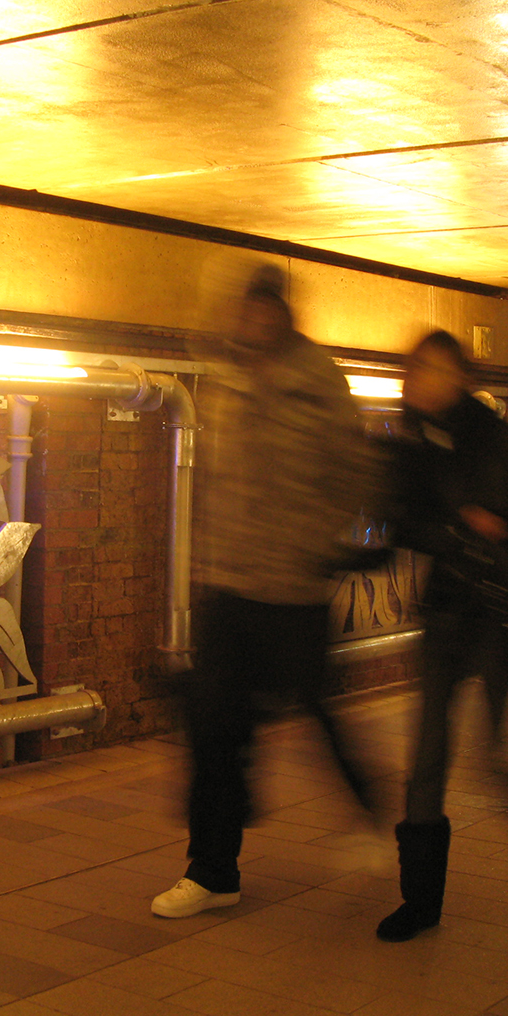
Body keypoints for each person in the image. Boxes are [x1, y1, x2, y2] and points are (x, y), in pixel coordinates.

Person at [151, 265, 382, 919]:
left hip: (293, 589)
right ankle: (211, 871)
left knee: (317, 713)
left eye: (264, 311)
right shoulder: (226, 377)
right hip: (228, 587)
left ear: (283, 315)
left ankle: (370, 813)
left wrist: (313, 539)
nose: (253, 322)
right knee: (213, 729)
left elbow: (353, 473)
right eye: (245, 311)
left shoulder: (318, 383)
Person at [376, 329, 508, 943]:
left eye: (438, 369)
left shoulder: (490, 435)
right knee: (427, 755)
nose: (424, 379)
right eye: (418, 368)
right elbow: (399, 523)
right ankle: (420, 903)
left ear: (460, 377)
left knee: (493, 754)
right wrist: (441, 528)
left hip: (494, 611)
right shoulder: (407, 441)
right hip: (445, 611)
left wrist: (499, 521)